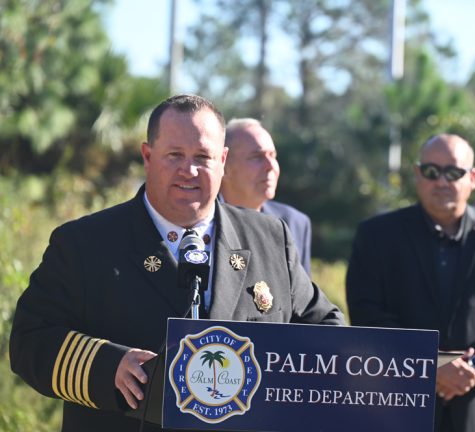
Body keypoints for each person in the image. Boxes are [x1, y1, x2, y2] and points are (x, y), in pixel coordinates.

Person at [9, 94, 344, 432]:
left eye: (203, 156)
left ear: (223, 160)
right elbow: (30, 339)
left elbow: (325, 326)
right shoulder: (85, 244)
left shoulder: (270, 238)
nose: (189, 170)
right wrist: (108, 366)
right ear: (147, 156)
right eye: (174, 156)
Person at [346, 134, 475, 432]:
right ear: (417, 175)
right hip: (400, 408)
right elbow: (367, 315)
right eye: (431, 172)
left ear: (472, 178)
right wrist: (431, 364)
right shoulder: (376, 237)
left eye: (453, 172)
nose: (441, 181)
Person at [220, 118, 312, 274]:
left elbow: (302, 296)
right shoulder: (200, 224)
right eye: (257, 157)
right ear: (225, 165)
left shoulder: (295, 223)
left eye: (273, 155)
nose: (271, 166)